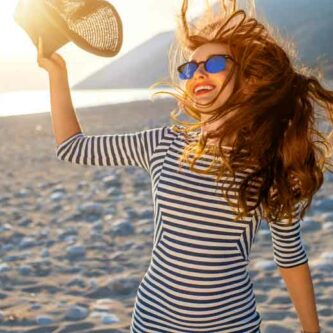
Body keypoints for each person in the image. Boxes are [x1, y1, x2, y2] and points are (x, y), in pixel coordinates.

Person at [37, 1, 333, 332]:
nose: (199, 72)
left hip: (231, 326)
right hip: (153, 323)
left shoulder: (270, 162)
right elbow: (73, 147)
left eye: (216, 63)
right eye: (190, 69)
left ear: (249, 80)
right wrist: (57, 73)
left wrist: (312, 329)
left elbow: (290, 256)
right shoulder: (162, 143)